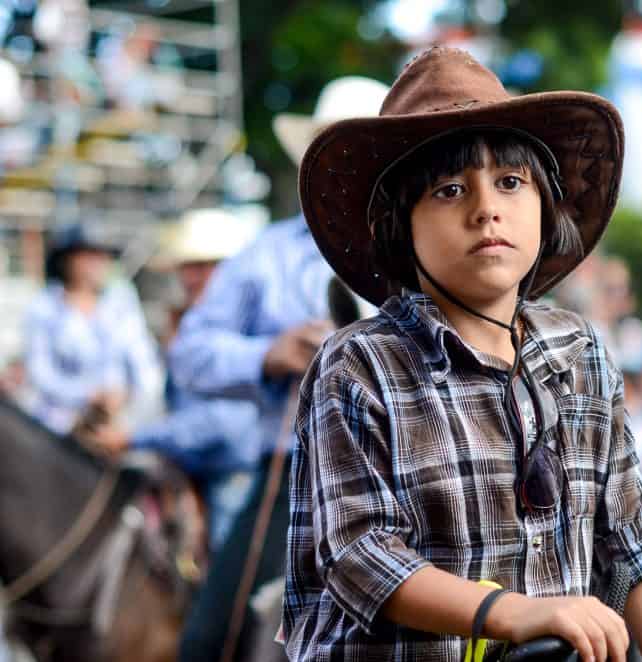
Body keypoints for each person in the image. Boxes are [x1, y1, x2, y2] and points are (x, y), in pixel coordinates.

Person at [284, 47, 642, 662]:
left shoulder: (579, 351)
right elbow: (359, 553)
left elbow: (633, 540)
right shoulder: (360, 364)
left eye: (510, 182)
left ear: (545, 206)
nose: (486, 209)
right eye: (450, 190)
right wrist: (511, 613)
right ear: (402, 228)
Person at [167, 77, 387, 661]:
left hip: (419, 465)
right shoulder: (266, 254)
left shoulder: (421, 241)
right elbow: (190, 352)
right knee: (207, 641)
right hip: (293, 476)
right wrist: (269, 354)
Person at [82, 208, 264, 552]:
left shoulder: (246, 330)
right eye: (186, 267)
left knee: (228, 579)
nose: (189, 278)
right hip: (188, 468)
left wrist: (135, 437)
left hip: (229, 472)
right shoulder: (190, 325)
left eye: (202, 267)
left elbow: (223, 421)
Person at [21, 223, 163, 436]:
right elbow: (41, 373)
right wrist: (87, 395)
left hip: (120, 418)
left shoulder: (121, 299)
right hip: (61, 421)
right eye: (87, 256)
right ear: (66, 261)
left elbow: (143, 360)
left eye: (100, 256)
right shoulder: (44, 306)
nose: (95, 264)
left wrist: (129, 398)